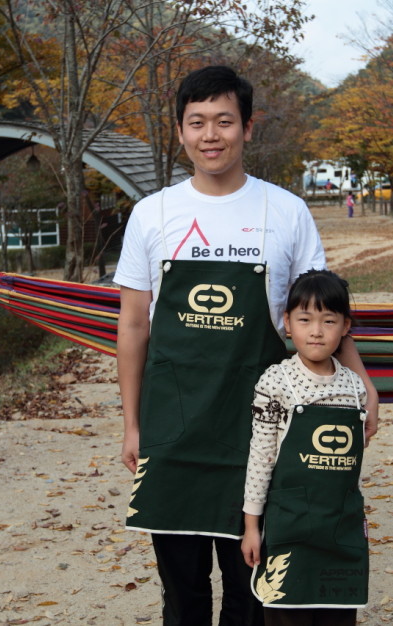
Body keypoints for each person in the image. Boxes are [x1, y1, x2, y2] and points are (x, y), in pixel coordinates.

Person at [114, 65, 378, 626]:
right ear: (180, 132)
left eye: (224, 121)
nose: (211, 135)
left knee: (250, 590)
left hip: (262, 428)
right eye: (197, 122)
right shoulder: (151, 214)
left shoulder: (284, 212)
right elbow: (135, 326)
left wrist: (364, 385)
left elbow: (320, 311)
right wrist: (133, 422)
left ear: (248, 128)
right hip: (174, 428)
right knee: (182, 593)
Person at [242, 269, 369, 626]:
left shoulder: (355, 387)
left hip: (340, 528)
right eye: (305, 319)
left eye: (329, 320)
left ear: (345, 326)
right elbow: (261, 458)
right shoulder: (276, 382)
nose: (316, 331)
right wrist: (252, 527)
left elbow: (351, 468)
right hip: (289, 528)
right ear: (287, 322)